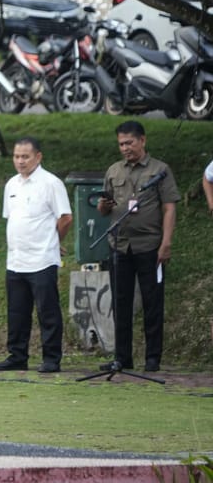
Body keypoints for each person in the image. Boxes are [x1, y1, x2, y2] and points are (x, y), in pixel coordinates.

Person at [96, 120, 178, 372]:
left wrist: (166, 243)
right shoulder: (114, 170)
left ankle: (152, 359)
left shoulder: (160, 170)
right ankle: (122, 358)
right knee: (120, 303)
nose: (125, 148)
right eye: (121, 143)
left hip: (150, 246)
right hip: (120, 246)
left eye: (129, 142)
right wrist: (104, 206)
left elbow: (169, 208)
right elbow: (102, 208)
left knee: (153, 303)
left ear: (142, 140)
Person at [0, 137, 72, 373]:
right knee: (17, 312)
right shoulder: (12, 185)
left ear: (38, 157)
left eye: (25, 156)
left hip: (42, 258)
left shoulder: (50, 183)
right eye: (16, 156)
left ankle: (51, 358)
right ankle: (17, 355)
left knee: (47, 311)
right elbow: (13, 218)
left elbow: (65, 217)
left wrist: (55, 241)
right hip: (16, 260)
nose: (20, 161)